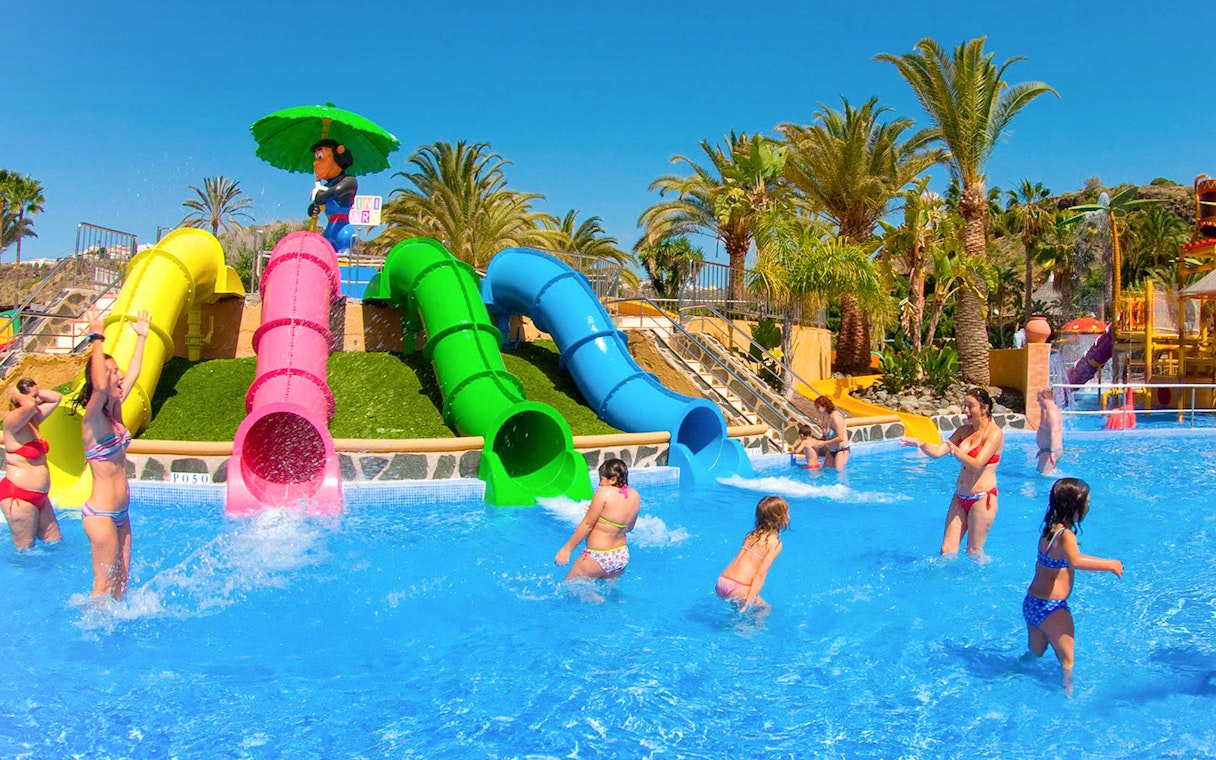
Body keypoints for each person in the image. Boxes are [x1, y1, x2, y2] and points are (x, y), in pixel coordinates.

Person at [1022, 477, 1123, 691]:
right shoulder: (1066, 536)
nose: (1088, 506)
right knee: (1067, 664)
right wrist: (1111, 564)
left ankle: (1008, 675)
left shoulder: (1049, 530)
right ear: (1075, 506)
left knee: (1035, 654)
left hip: (1032, 604)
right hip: (1052, 609)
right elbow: (1075, 561)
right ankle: (1068, 701)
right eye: (1086, 502)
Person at [75, 309, 149, 599]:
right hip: (101, 515)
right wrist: (97, 337)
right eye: (112, 370)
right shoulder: (92, 419)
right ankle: (88, 639)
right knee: (103, 586)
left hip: (121, 513)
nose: (119, 375)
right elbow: (101, 385)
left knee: (122, 583)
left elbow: (134, 374)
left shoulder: (115, 412)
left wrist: (142, 337)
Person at [900, 387, 1004, 557]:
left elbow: (977, 464)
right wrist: (920, 443)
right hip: (960, 497)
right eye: (964, 405)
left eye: (971, 406)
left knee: (973, 552)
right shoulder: (964, 431)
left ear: (984, 408)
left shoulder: (994, 434)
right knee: (946, 550)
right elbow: (937, 452)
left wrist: (955, 450)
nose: (966, 410)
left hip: (982, 498)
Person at [1, 378, 63, 549]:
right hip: (19, 496)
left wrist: (35, 392)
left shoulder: (33, 419)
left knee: (55, 544)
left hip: (40, 496)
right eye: (34, 397)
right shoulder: (12, 422)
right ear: (21, 399)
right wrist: (19, 395)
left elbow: (57, 398)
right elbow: (27, 406)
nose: (37, 400)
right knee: (25, 552)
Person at [554, 458, 640, 580]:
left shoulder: (603, 493)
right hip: (621, 556)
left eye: (601, 479)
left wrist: (567, 549)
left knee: (571, 587)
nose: (600, 484)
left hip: (600, 555)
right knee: (609, 591)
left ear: (613, 479)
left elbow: (587, 524)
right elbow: (629, 528)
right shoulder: (635, 495)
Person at [715, 496, 790, 613]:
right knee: (765, 609)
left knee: (736, 611)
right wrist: (749, 602)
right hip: (739, 586)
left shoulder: (751, 535)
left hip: (722, 581)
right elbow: (760, 575)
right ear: (779, 517)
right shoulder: (775, 543)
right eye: (787, 513)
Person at [307, 139, 358, 254]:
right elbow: (319, 202)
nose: (316, 162)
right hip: (329, 230)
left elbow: (336, 191)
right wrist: (314, 207)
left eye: (320, 156)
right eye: (316, 157)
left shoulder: (349, 181)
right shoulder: (326, 186)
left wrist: (320, 197)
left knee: (343, 259)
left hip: (343, 231)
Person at [810, 396, 850, 470]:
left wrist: (824, 443)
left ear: (824, 406)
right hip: (831, 450)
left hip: (841, 450)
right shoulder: (825, 417)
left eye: (818, 408)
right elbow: (826, 436)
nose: (816, 410)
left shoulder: (836, 418)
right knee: (825, 471)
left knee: (838, 472)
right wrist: (818, 441)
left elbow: (841, 438)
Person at [1036, 386, 1063, 474]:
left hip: (1051, 451)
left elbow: (1054, 432)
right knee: (1040, 474)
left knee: (1043, 478)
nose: (1037, 400)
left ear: (1044, 397)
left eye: (1038, 397)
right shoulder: (1046, 411)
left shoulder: (1052, 412)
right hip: (1046, 450)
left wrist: (1052, 452)